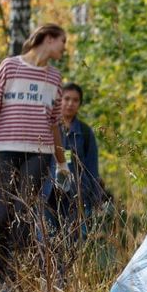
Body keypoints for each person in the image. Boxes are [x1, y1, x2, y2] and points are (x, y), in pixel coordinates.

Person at [0, 23, 68, 292]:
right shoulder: (10, 67)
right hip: (5, 149)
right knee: (0, 216)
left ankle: (22, 277)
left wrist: (62, 163)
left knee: (23, 214)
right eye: (62, 41)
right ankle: (4, 276)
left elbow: (55, 125)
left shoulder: (55, 78)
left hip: (40, 153)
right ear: (48, 39)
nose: (64, 48)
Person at [48, 82, 104, 246]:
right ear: (59, 100)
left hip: (77, 196)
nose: (70, 104)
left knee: (73, 242)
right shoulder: (48, 128)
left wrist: (95, 199)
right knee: (49, 240)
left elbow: (92, 168)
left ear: (79, 103)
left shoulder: (85, 133)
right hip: (50, 195)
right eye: (66, 99)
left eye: (75, 100)